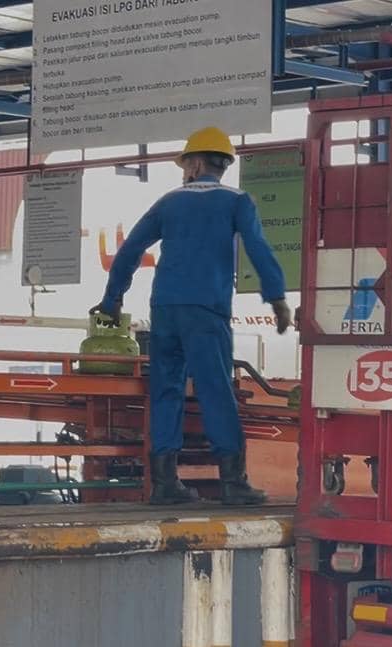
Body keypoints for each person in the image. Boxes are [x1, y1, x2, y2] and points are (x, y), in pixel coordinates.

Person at [91, 126, 292, 506]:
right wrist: (276, 297)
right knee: (215, 389)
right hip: (206, 308)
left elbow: (130, 249)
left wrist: (113, 298)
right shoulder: (237, 202)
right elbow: (258, 249)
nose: (185, 171)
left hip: (164, 309)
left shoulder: (168, 202)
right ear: (222, 165)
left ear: (196, 164)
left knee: (166, 390)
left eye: (186, 164)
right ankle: (233, 482)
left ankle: (164, 484)